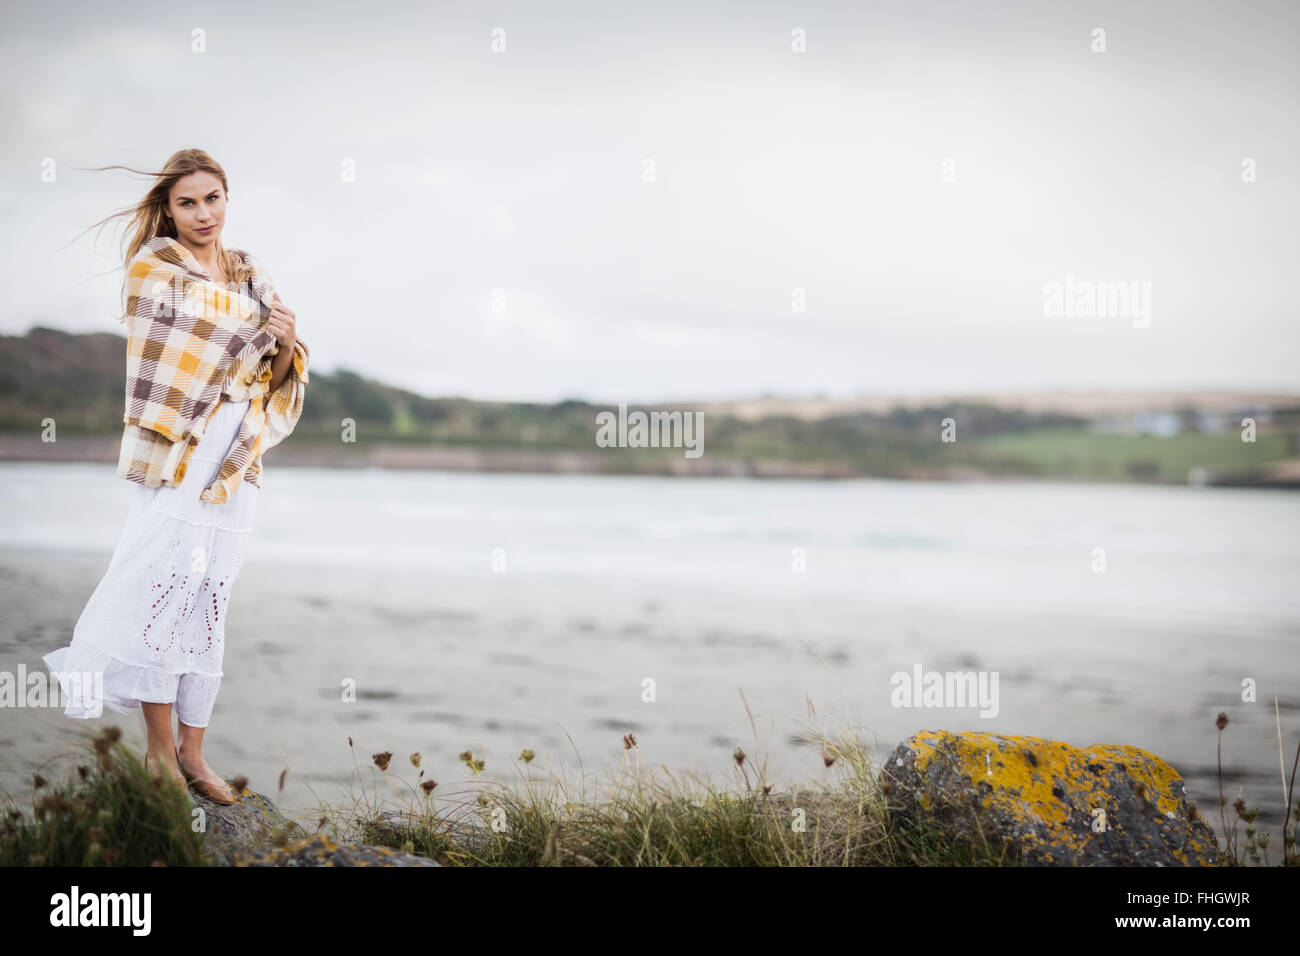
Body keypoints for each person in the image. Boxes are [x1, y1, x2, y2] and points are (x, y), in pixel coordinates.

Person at [43, 149, 308, 803]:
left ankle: (193, 749)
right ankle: (160, 749)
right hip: (177, 452)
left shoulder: (251, 274)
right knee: (162, 586)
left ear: (227, 198)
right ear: (168, 209)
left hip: (235, 456)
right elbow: (195, 344)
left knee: (209, 595)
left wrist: (286, 339)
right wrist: (256, 331)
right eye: (187, 202)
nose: (202, 213)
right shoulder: (156, 269)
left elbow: (275, 374)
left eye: (212, 198)